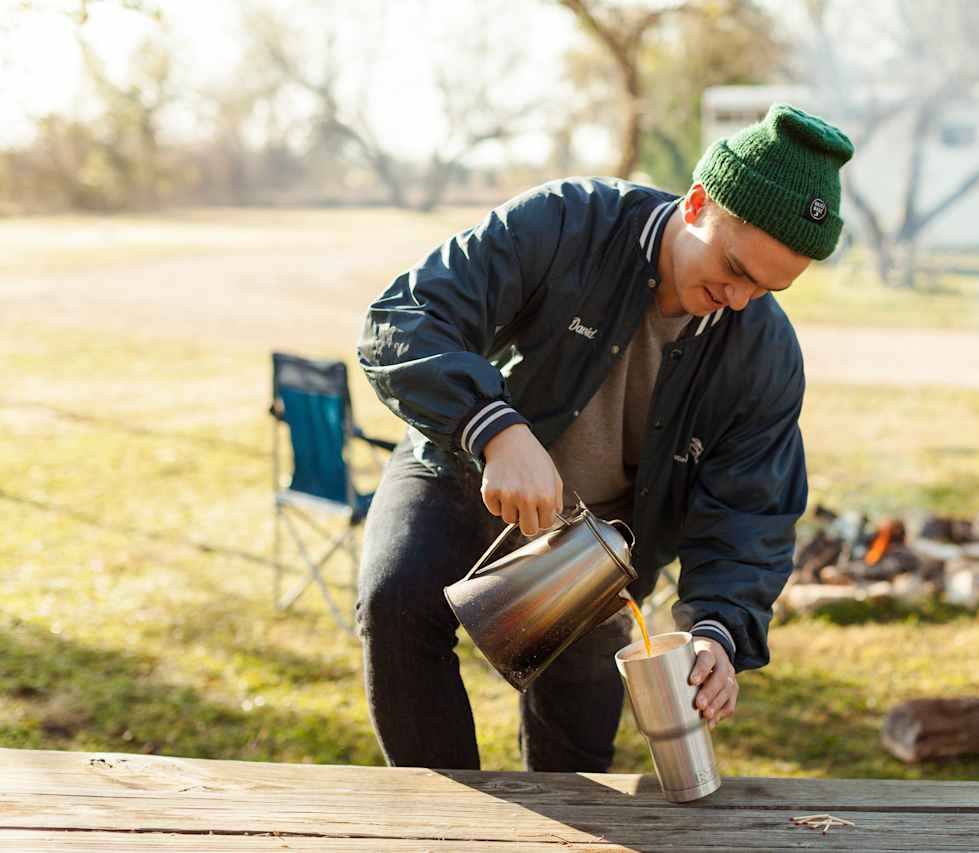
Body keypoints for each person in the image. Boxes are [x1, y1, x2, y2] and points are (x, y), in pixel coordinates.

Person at [355, 103, 854, 771]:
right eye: (735, 267)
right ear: (699, 202)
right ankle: (444, 829)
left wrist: (717, 632)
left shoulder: (763, 354)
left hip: (599, 540)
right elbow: (405, 318)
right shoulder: (568, 222)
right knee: (397, 601)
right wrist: (495, 428)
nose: (739, 299)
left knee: (578, 725)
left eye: (767, 287)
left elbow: (750, 513)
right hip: (465, 461)